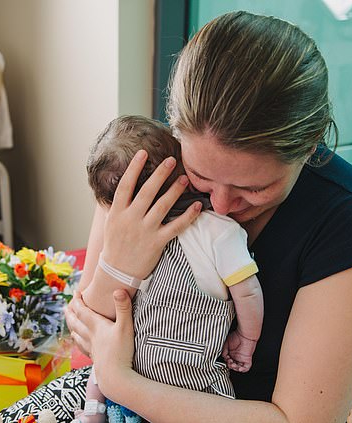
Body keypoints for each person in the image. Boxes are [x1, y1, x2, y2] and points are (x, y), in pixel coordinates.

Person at [1, 10, 352, 423]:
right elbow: (86, 331)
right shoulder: (150, 164)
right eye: (199, 175)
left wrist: (121, 380)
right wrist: (120, 263)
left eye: (252, 189)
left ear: (309, 147)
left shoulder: (350, 225)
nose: (219, 205)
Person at [74, 115, 263, 423]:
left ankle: (93, 409)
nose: (223, 201)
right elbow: (248, 291)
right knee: (105, 349)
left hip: (173, 395)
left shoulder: (212, 230)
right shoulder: (217, 231)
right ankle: (94, 406)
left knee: (105, 355)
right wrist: (247, 337)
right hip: (166, 379)